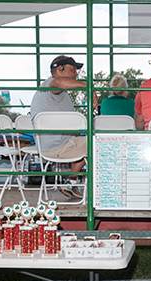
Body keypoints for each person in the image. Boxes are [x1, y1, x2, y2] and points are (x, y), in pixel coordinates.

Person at [30, 55, 98, 199]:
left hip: (52, 146)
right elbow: (58, 82)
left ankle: (71, 183)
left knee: (89, 142)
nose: (76, 74)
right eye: (73, 70)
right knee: (103, 142)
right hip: (59, 145)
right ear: (60, 69)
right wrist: (88, 86)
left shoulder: (58, 94)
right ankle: (105, 190)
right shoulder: (50, 85)